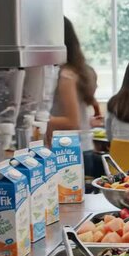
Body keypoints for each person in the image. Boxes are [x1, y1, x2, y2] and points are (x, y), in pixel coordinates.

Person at [48, 17, 98, 178]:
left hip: (71, 154)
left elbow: (72, 122)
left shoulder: (66, 76)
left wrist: (39, 119)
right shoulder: (77, 70)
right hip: (79, 149)